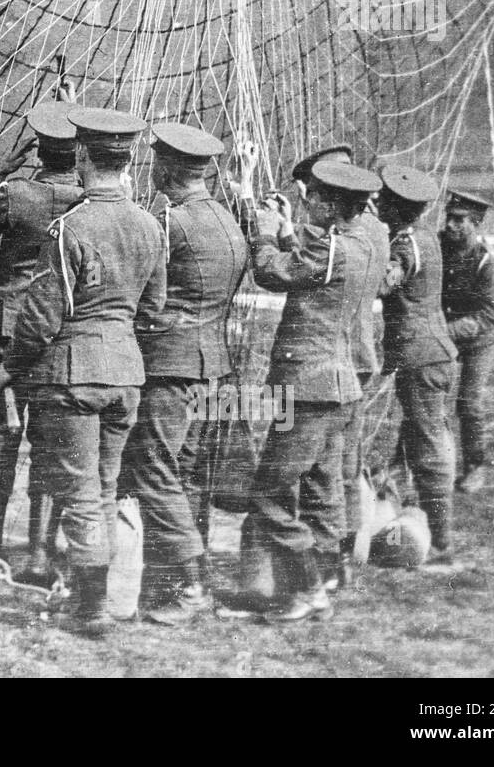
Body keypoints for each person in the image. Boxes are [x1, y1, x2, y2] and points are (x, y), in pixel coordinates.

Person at [0, 108, 167, 637]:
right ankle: (98, 595)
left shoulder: (71, 227)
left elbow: (43, 314)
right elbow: (153, 306)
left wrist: (10, 369)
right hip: (126, 374)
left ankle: (89, 609)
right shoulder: (149, 224)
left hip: (74, 376)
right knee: (107, 487)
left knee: (81, 494)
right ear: (128, 159)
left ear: (86, 157)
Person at [222, 160, 382, 624]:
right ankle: (326, 574)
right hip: (336, 389)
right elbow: (315, 269)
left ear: (332, 206)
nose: (306, 201)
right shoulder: (358, 243)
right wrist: (290, 231)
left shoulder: (332, 248)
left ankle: (307, 588)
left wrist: (265, 230)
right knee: (319, 486)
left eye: (312, 196)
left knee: (269, 496)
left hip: (310, 390)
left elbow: (273, 274)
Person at [122, 122, 248, 626]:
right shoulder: (225, 218)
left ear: (165, 168)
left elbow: (144, 296)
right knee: (185, 474)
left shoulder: (169, 223)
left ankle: (190, 584)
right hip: (213, 365)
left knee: (154, 468)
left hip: (169, 367)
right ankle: (178, 581)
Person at [0, 99, 83, 584]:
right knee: (52, 442)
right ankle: (39, 553)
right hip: (59, 331)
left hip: (7, 326)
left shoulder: (16, 195)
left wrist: (0, 170)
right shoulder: (89, 202)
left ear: (38, 148)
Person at [289, 143, 390, 589]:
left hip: (330, 362)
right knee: (335, 465)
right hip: (356, 357)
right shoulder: (376, 230)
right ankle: (338, 558)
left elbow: (293, 269)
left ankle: (331, 560)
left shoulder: (336, 238)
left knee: (326, 467)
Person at [377, 164, 459, 568]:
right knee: (421, 436)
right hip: (433, 352)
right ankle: (414, 519)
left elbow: (382, 282)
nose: (375, 204)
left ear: (395, 206)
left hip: (420, 356)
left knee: (427, 445)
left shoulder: (407, 245)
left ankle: (440, 542)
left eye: (382, 201)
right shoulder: (425, 235)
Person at [439, 190, 494, 495]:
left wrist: (444, 331)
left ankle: (475, 467)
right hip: (447, 331)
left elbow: (487, 317)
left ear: (475, 223)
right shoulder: (440, 247)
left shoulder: (487, 263)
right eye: (449, 217)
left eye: (459, 220)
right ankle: (407, 462)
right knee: (426, 394)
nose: (450, 224)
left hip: (480, 339)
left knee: (469, 401)